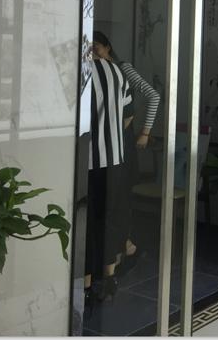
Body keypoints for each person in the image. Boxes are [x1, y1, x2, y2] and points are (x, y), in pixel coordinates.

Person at [91, 31, 160, 276]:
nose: (93, 52)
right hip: (107, 142)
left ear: (107, 47)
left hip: (121, 141)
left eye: (96, 47)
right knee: (112, 202)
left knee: (117, 201)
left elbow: (153, 96)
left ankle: (123, 253)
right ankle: (122, 251)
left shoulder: (122, 68)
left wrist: (145, 132)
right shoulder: (92, 71)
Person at [85, 34, 133, 306]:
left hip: (89, 159)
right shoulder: (118, 72)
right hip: (115, 157)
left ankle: (86, 283)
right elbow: (128, 113)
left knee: (88, 220)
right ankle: (110, 276)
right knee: (110, 217)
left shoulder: (82, 71)